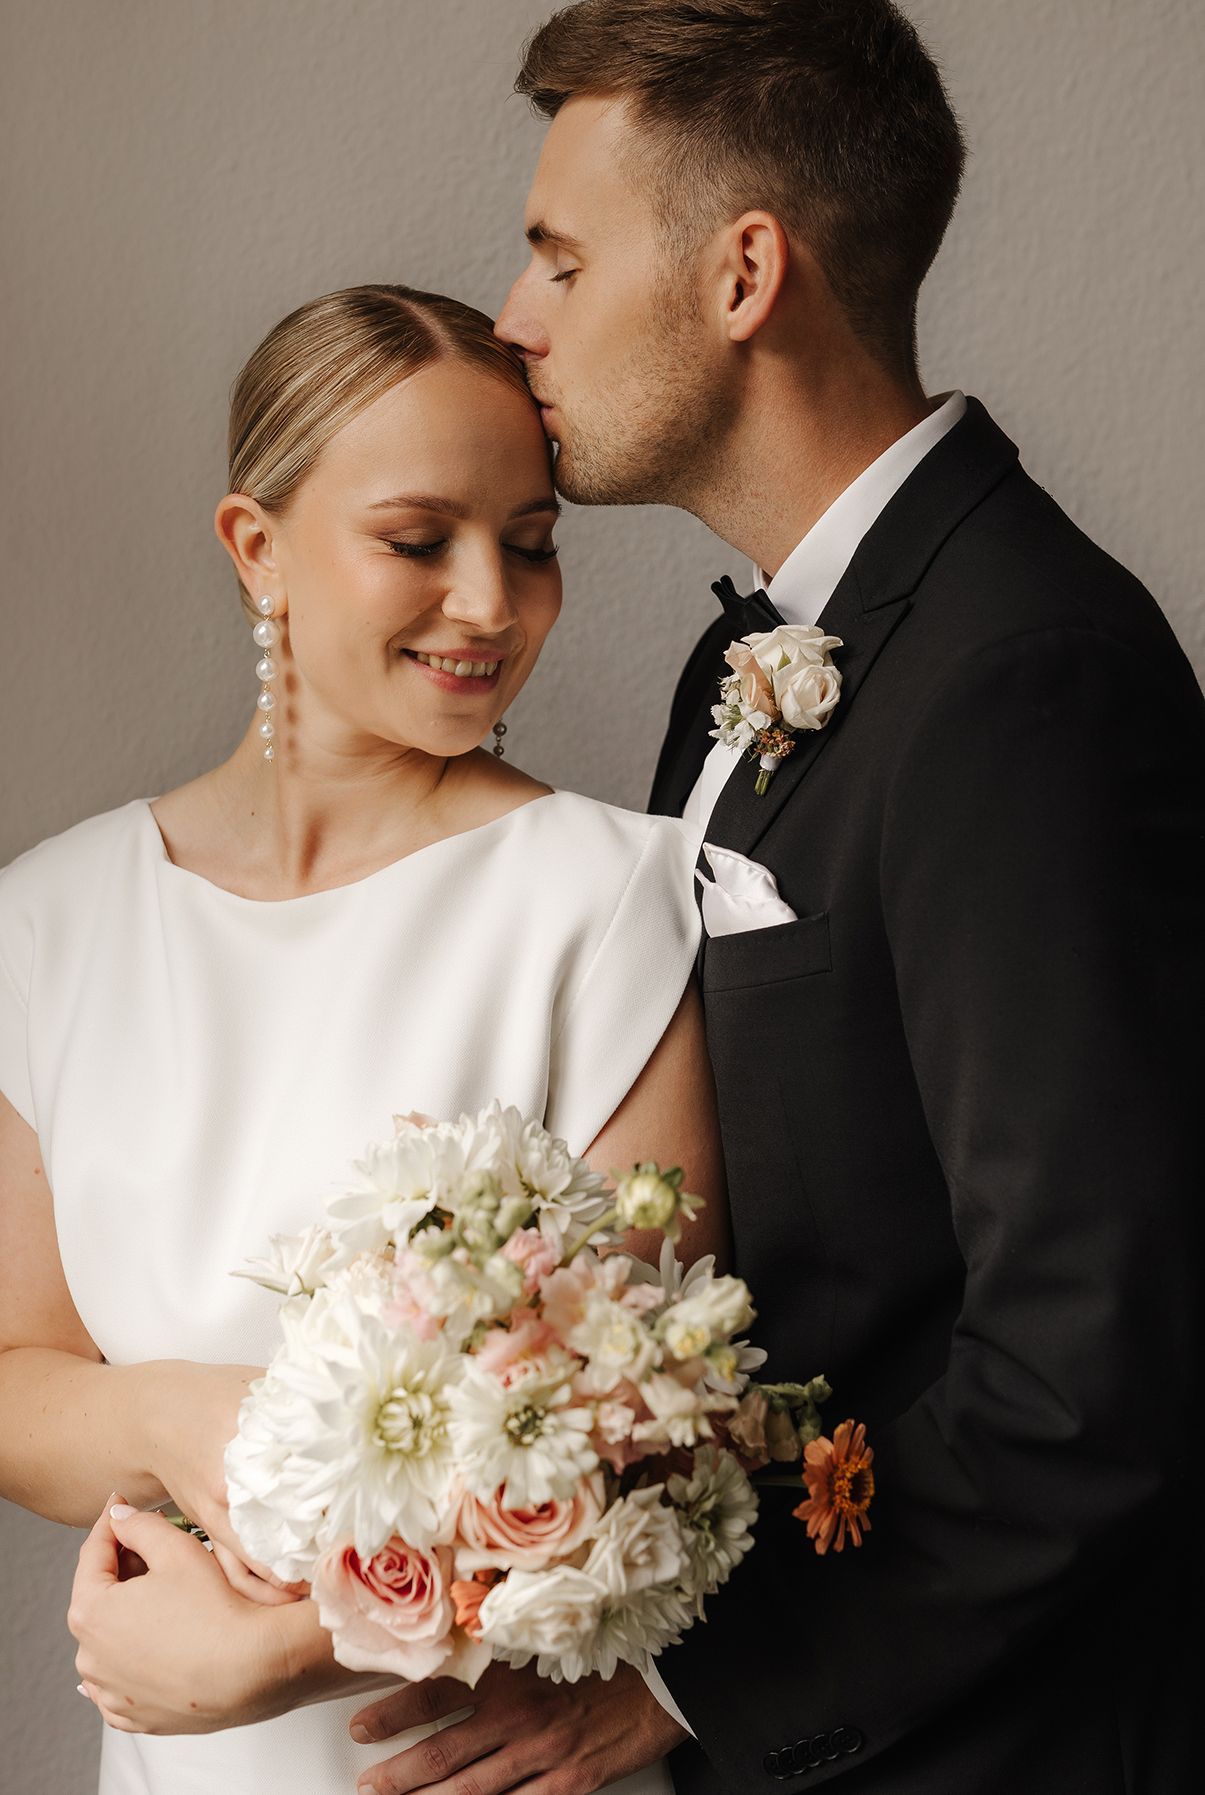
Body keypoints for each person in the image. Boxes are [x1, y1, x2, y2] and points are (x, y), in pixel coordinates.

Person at [348, 4, 1205, 1793]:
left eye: (562, 258)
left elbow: (1094, 1360)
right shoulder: (757, 650)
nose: (517, 317)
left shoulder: (1022, 673)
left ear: (746, 273)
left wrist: (683, 1693)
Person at [0, 283, 726, 1795]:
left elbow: (653, 1417)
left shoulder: (606, 897)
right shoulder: (50, 921)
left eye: (530, 545)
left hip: (484, 1762)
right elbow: (16, 1373)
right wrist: (169, 1413)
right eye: (420, 540)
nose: (490, 603)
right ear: (254, 549)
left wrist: (281, 1649)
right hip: (170, 1757)